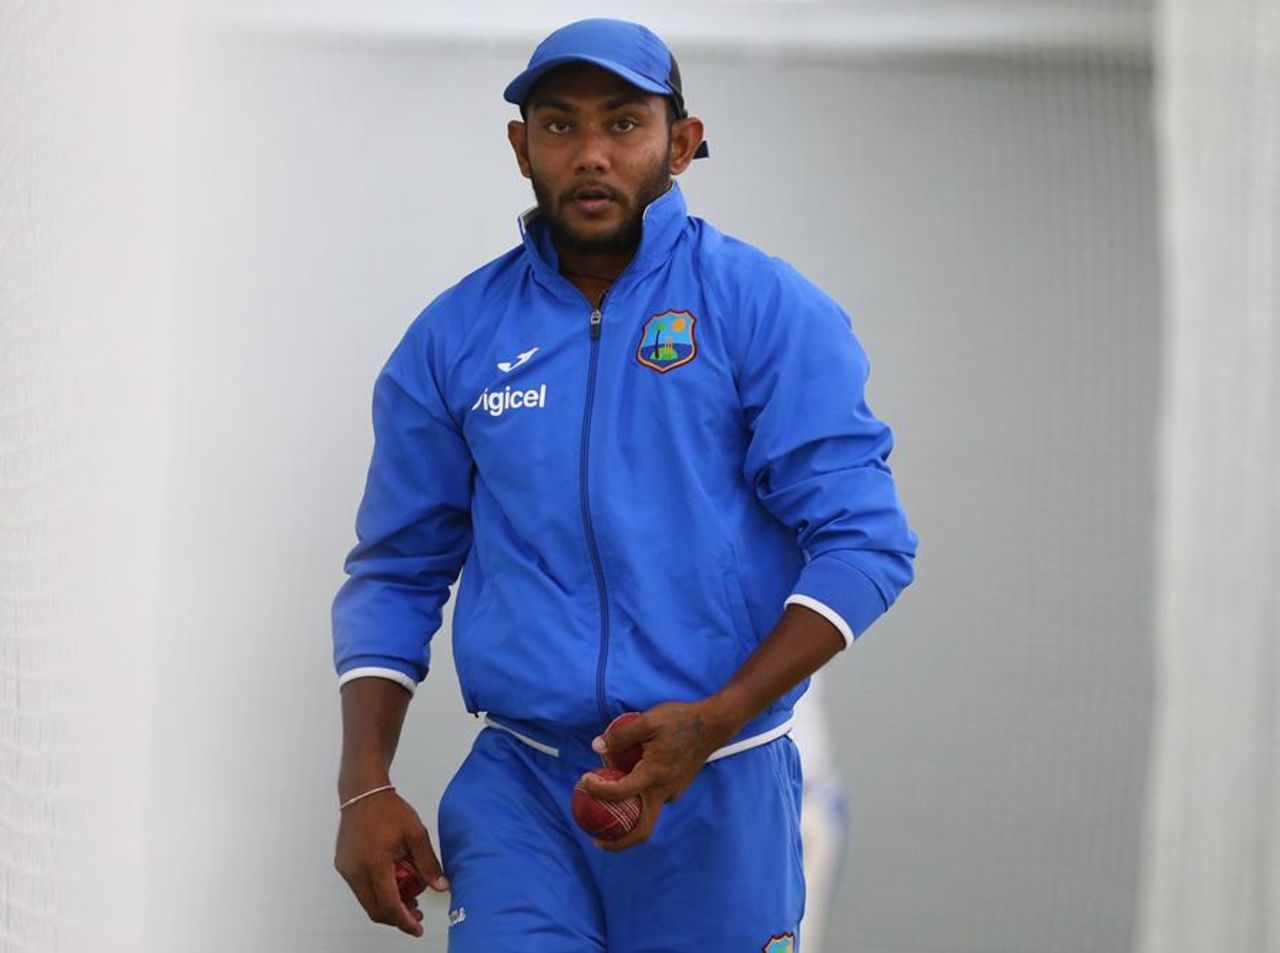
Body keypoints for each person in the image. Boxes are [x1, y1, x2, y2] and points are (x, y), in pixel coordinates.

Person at [331, 17, 917, 952]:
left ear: (682, 143)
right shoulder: (451, 339)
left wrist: (713, 720)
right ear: (521, 147)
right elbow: (398, 570)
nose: (592, 154)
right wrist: (365, 780)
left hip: (722, 785)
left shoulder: (762, 307)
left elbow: (867, 542)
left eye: (624, 124)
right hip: (523, 788)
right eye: (559, 126)